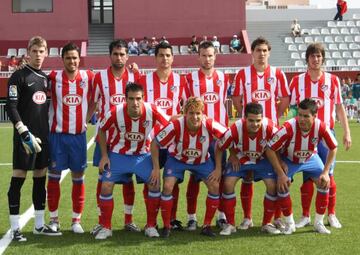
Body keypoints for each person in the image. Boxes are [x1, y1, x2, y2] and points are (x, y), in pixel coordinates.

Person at [94, 83, 170, 239]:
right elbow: (101, 130)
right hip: (118, 154)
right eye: (131, 99)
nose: (135, 103)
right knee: (106, 186)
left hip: (142, 155)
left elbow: (170, 124)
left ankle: (150, 225)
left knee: (155, 184)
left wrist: (157, 158)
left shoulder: (152, 110)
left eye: (138, 99)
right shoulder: (115, 112)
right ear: (125, 99)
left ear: (143, 98)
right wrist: (104, 155)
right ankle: (106, 227)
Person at [288, 42, 351, 230]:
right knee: (308, 176)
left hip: (326, 134)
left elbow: (339, 107)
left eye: (319, 56)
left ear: (323, 59)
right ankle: (305, 216)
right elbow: (293, 109)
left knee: (328, 176)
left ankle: (331, 214)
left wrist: (347, 131)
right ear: (307, 58)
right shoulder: (297, 81)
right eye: (313, 56)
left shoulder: (332, 80)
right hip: (304, 135)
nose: (316, 59)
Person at [231, 36, 290, 231]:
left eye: (265, 51)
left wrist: (274, 117)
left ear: (269, 53)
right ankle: (247, 218)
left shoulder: (278, 74)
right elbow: (237, 99)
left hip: (272, 133)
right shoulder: (242, 74)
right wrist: (245, 118)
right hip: (249, 131)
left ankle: (277, 217)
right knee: (247, 174)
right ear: (252, 53)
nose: (261, 54)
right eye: (258, 50)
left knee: (276, 174)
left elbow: (284, 99)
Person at [6, 36, 61, 242]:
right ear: (28, 52)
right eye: (35, 51)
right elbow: (11, 107)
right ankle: (15, 228)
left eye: (42, 51)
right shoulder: (18, 77)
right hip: (25, 137)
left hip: (43, 138)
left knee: (40, 180)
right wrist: (22, 131)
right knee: (18, 179)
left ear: (46, 53)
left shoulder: (45, 78)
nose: (38, 55)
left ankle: (39, 225)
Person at [151, 97, 227, 237]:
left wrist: (218, 167)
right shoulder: (175, 124)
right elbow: (155, 143)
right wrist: (156, 168)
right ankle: (167, 226)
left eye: (198, 113)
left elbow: (227, 137)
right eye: (191, 113)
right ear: (185, 113)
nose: (195, 117)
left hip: (202, 161)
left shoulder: (209, 123)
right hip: (177, 159)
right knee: (168, 186)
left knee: (215, 186)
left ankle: (206, 226)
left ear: (203, 114)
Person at [90, 39, 141, 235]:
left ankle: (129, 220)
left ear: (127, 56)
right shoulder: (99, 78)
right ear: (110, 55)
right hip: (106, 138)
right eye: (115, 54)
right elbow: (94, 103)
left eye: (122, 54)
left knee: (128, 180)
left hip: (130, 139)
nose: (119, 57)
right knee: (103, 180)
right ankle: (102, 221)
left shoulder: (134, 75)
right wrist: (84, 123)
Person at [266, 98, 338, 234]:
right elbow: (270, 148)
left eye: (306, 116)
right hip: (289, 159)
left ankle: (318, 222)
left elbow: (333, 147)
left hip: (311, 158)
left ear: (314, 116)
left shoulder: (321, 126)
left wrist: (325, 171)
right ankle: (290, 224)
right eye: (300, 115)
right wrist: (281, 172)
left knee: (324, 182)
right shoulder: (288, 127)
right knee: (282, 185)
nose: (302, 119)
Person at [139, 41, 188, 231]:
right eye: (161, 55)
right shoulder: (144, 81)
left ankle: (172, 218)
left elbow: (186, 109)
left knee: (172, 181)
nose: (164, 59)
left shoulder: (181, 81)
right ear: (155, 58)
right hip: (150, 140)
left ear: (173, 58)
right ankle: (151, 221)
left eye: (168, 55)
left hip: (173, 142)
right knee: (150, 180)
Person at [47, 42, 95, 234]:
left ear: (79, 59)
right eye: (68, 58)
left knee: (78, 177)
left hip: (78, 137)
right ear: (63, 59)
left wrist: (86, 118)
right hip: (57, 136)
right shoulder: (53, 77)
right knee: (53, 178)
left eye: (75, 57)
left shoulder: (88, 76)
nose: (72, 61)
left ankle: (76, 220)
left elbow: (99, 95)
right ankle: (54, 219)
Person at [185, 41, 230, 230]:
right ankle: (192, 217)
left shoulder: (224, 78)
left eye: (210, 55)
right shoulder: (189, 79)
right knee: (194, 177)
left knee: (220, 176)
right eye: (204, 55)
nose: (207, 58)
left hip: (219, 137)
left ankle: (221, 214)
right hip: (197, 136)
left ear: (215, 56)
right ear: (198, 57)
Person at [217, 103, 280, 235]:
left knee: (272, 185)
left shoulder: (270, 128)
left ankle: (266, 223)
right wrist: (231, 156)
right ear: (244, 118)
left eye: (258, 120)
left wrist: (280, 163)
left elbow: (280, 146)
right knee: (228, 184)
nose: (255, 124)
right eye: (251, 120)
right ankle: (230, 224)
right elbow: (220, 146)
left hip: (263, 159)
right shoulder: (235, 128)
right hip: (241, 158)